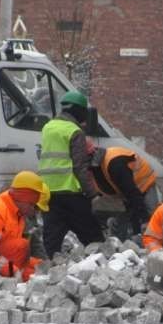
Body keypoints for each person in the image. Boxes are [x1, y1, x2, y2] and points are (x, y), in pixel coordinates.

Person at [38, 90, 103, 256]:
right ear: (79, 110)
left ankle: (52, 270)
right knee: (93, 235)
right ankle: (100, 265)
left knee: (52, 239)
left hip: (49, 192)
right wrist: (92, 193)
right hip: (71, 191)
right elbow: (79, 166)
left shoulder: (48, 127)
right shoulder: (74, 131)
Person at [87, 141, 157, 236]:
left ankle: (148, 239)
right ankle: (132, 234)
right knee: (133, 216)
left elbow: (132, 192)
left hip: (144, 183)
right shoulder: (96, 167)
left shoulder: (115, 164)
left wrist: (145, 219)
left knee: (151, 219)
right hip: (128, 190)